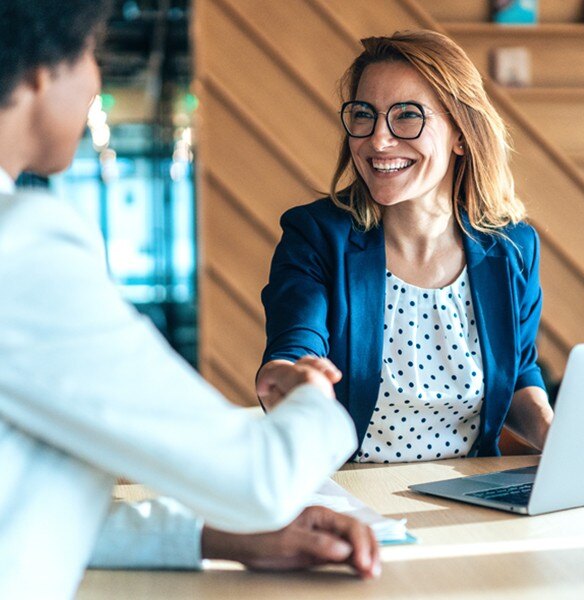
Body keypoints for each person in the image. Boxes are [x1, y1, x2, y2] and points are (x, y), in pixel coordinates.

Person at [0, 3, 380, 598]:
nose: (97, 79)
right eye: (91, 55)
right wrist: (313, 400)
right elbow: (261, 479)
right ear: (40, 74)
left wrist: (223, 538)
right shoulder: (19, 246)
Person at [257, 31, 554, 464]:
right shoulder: (316, 235)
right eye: (364, 115)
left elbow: (519, 371)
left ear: (460, 133)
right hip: (350, 496)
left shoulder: (513, 248)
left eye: (408, 116)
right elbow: (294, 346)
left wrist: (554, 434)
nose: (378, 140)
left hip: (469, 495)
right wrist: (289, 378)